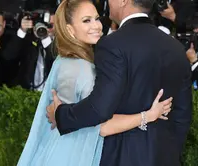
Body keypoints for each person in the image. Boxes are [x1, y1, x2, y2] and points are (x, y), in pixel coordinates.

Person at [17, 0, 172, 165]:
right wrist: (148, 115)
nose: (97, 25)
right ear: (70, 29)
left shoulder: (66, 60)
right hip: (70, 155)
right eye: (86, 20)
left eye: (96, 18)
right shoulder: (81, 68)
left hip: (62, 150)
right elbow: (102, 127)